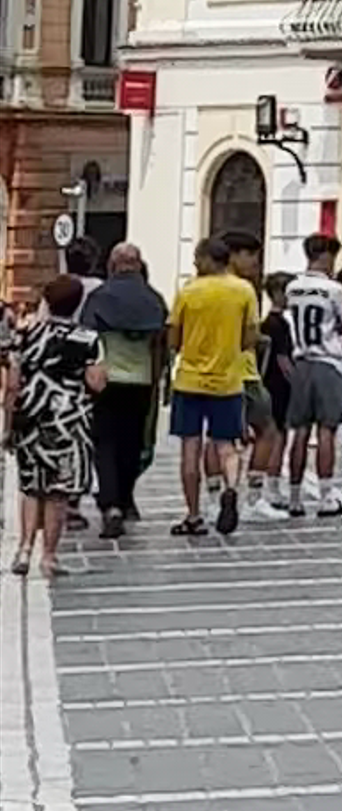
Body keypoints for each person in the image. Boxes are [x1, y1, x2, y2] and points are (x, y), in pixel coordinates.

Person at [168, 232, 266, 538]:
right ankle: (232, 489)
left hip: (189, 381)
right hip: (228, 381)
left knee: (190, 448)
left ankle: (194, 515)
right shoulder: (244, 291)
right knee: (227, 444)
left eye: (198, 258)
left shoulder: (189, 291)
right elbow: (250, 338)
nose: (195, 263)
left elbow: (173, 339)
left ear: (210, 259)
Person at [75, 242, 168, 537]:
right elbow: (160, 343)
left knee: (105, 443)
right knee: (132, 443)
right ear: (139, 265)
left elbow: (86, 336)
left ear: (113, 265)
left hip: (106, 379)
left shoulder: (100, 297)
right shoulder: (154, 299)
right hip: (141, 381)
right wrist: (159, 380)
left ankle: (110, 503)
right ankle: (126, 500)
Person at [276, 245, 342, 520]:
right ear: (326, 256)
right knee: (327, 429)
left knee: (300, 431)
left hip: (302, 360)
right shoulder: (335, 289)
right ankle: (326, 496)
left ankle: (294, 497)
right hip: (328, 362)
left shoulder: (293, 287)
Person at [12, 292, 96, 575]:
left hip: (31, 418)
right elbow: (97, 382)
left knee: (30, 486)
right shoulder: (88, 338)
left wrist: (7, 426)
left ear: (47, 301)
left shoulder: (25, 335)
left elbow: (12, 383)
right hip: (67, 421)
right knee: (58, 491)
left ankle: (23, 550)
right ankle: (48, 557)